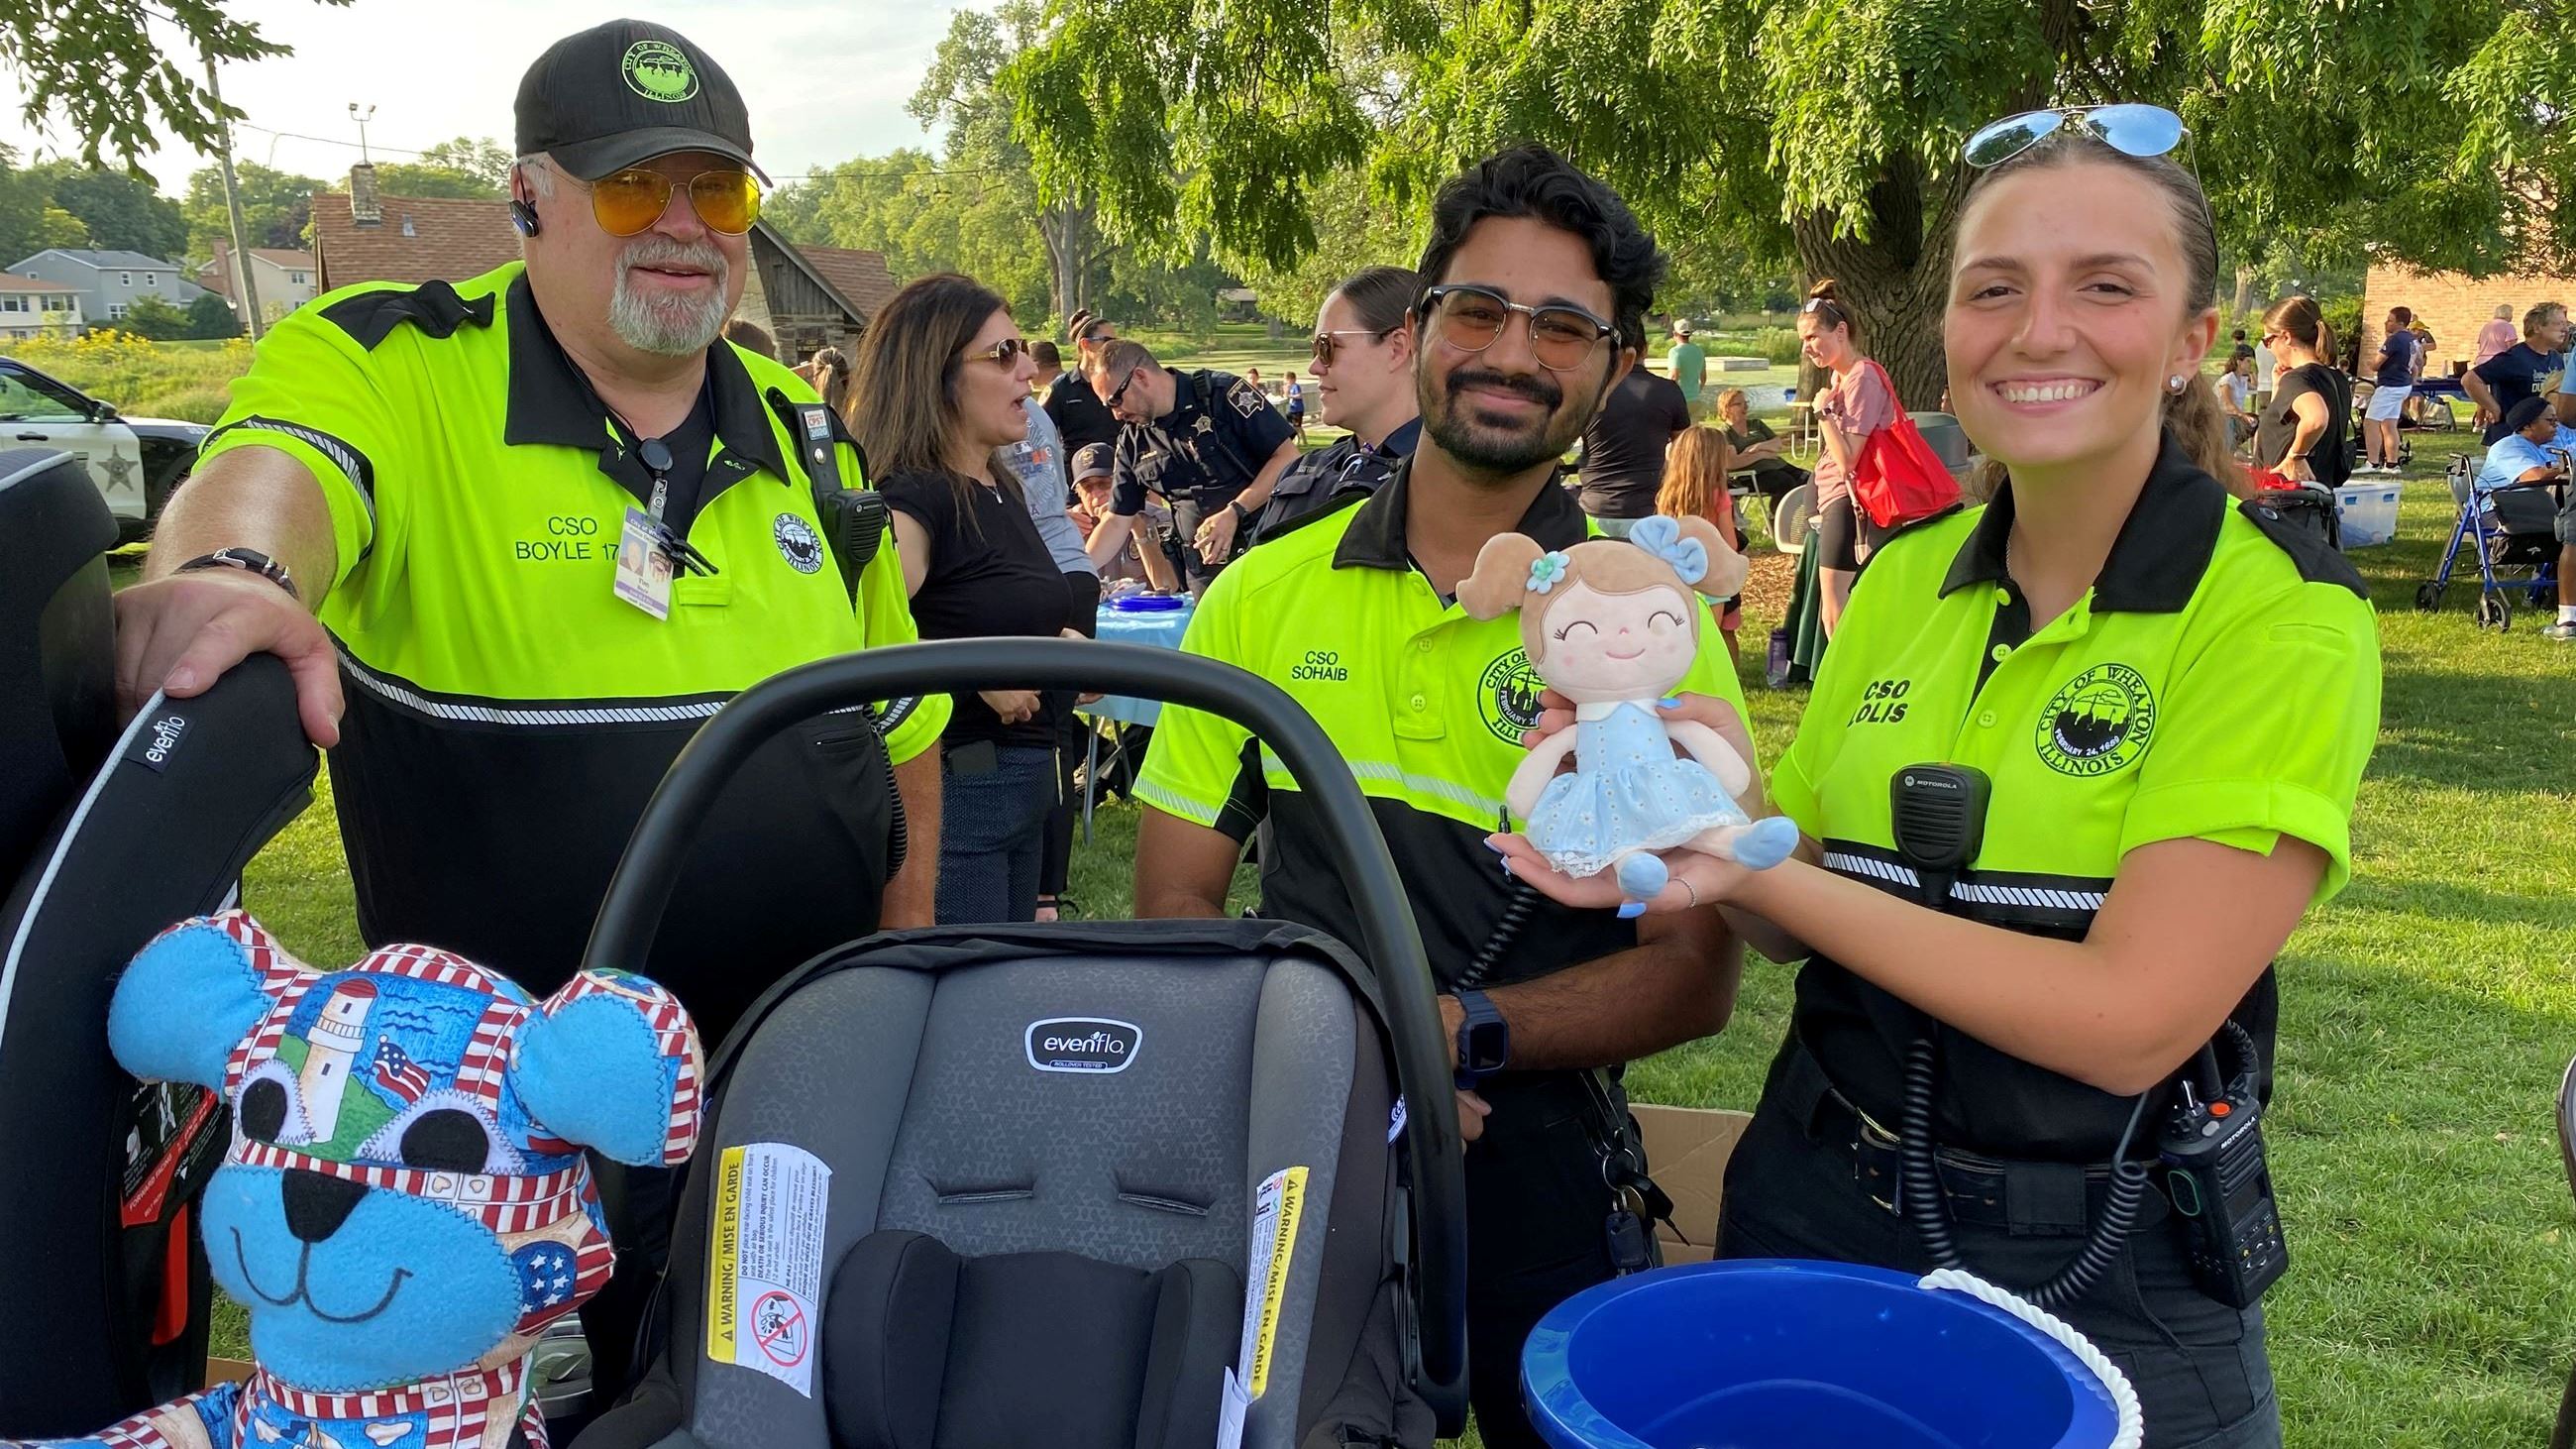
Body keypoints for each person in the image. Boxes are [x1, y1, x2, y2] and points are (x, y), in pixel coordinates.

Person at [1495, 102, 2380, 1448]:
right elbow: (1784, 915)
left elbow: (2130, 1015)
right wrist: (1669, 782)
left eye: (2106, 286)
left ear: (2195, 338)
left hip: (2112, 1248)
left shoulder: (2278, 617)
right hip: (1812, 1188)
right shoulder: (1904, 582)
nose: (2039, 330)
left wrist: (1754, 857)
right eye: (1995, 288)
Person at [110, 19, 950, 1393]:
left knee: (780, 1401)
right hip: (495, 1133)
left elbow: (905, 730)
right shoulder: (397, 361)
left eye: (718, 190)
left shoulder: (803, 427)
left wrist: (902, 972)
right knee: (525, 1419)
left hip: (789, 1086)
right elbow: (282, 470)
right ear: (527, 201)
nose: (683, 228)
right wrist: (238, 571)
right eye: (635, 188)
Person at [1131, 144, 1748, 1449]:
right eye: (1479, 310)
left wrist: (1452, 1032)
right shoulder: (1258, 596)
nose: (1513, 354)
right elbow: (1174, 903)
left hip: (1541, 1168)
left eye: (1563, 326)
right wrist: (1351, 1057)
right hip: (1294, 1148)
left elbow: (1695, 971)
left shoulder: (1657, 631)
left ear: (1612, 360)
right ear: (1420, 325)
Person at [854, 274, 1076, 925]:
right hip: (958, 797)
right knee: (970, 997)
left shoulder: (998, 483)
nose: (1029, 372)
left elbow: (984, 605)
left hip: (1023, 791)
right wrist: (974, 674)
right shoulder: (911, 499)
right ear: (936, 372)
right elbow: (855, 634)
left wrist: (1057, 647)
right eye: (1002, 355)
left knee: (1005, 994)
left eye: (1024, 351)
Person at [998, 365, 1105, 924]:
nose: (1020, 373)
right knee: (1040, 739)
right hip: (1051, 569)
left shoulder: (1025, 415)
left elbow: (1040, 499)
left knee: (1051, 736)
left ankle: (1044, 895)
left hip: (1055, 571)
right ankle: (1034, 892)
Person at [1083, 337, 1301, 591]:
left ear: (1140, 377)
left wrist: (1235, 511)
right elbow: (1117, 520)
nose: (1116, 414)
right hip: (1204, 573)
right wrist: (1078, 571)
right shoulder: (1133, 441)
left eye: (1115, 400)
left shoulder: (1222, 395)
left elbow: (1288, 457)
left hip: (1266, 555)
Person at [1248, 265, 1421, 543]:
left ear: (1397, 348)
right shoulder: (1304, 470)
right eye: (1314, 350)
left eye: (1327, 347)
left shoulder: (1453, 485)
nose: (1314, 366)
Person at [1800, 278, 1899, 633]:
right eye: (1803, 341)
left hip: (1849, 502)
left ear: (1840, 331)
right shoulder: (1842, 379)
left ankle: (1841, 686)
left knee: (1836, 612)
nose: (1807, 348)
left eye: (1813, 337)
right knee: (1833, 607)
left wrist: (1823, 412)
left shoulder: (1862, 378)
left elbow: (1848, 459)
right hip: (1834, 501)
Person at [1576, 340, 1692, 536]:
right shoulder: (1667, 391)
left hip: (1594, 505)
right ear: (1645, 349)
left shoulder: (1592, 390)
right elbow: (1686, 450)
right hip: (1647, 508)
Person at [1655, 423, 1745, 663]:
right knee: (1712, 639)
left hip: (1678, 576)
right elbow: (1730, 542)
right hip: (1712, 578)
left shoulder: (1668, 494)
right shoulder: (1718, 495)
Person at [2254, 295, 2350, 493]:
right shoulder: (2336, 379)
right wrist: (2277, 389)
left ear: (2286, 337)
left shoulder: (2298, 380)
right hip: (2317, 503)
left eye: (2268, 341)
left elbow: (2316, 418)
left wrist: (2295, 457)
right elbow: (2280, 430)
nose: (2269, 349)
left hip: (2285, 503)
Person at [1068, 441, 1178, 588]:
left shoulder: (1158, 519)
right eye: (1087, 487)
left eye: (1104, 483)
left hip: (1148, 608)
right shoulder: (1073, 526)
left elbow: (1168, 588)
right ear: (1079, 494)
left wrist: (1140, 530)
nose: (1096, 494)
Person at [2463, 299, 2569, 439]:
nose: (2565, 329)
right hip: (2509, 437)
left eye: (2565, 324)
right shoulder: (2514, 358)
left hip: (2540, 439)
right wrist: (2493, 408)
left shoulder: (2556, 358)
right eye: (2559, 323)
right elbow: (2470, 379)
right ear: (2537, 328)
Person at [1717, 385, 1808, 515]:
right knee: (1786, 482)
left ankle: (1801, 519)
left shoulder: (1756, 424)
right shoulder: (1726, 433)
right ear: (1727, 408)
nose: (1745, 407)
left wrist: (1757, 447)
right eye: (1739, 404)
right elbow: (1732, 462)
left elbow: (1777, 444)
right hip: (1752, 475)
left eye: (1746, 403)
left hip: (1778, 465)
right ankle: (1775, 520)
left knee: (1810, 480)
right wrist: (1761, 455)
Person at [1044, 307, 1124, 454]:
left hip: (1119, 470)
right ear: (1085, 344)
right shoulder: (1061, 389)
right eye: (1107, 340)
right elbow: (1041, 435)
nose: (1113, 347)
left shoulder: (1122, 384)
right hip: (1078, 473)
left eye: (1116, 341)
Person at [2361, 306, 2416, 475]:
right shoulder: (2411, 340)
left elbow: (2377, 363)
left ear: (2400, 323)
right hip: (2403, 385)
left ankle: (2373, 462)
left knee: (2370, 422)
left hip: (2390, 386)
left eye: (2390, 320)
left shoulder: (2394, 340)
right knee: (2389, 424)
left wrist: (2369, 364)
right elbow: (2416, 364)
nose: (2386, 322)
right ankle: (2392, 464)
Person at [2215, 352, 2257, 452]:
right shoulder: (2228, 380)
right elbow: (2227, 404)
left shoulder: (2242, 379)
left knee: (2258, 422)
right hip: (2225, 414)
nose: (2249, 364)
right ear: (2239, 362)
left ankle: (2244, 451)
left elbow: (2255, 386)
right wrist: (2244, 416)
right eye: (2247, 362)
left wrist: (2252, 373)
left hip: (2236, 414)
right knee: (2236, 422)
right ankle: (2230, 451)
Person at [1669, 318, 1708, 415]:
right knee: (1693, 430)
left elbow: (1674, 377)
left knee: (1680, 430)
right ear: (1690, 334)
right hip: (1695, 400)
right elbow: (1703, 378)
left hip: (1681, 400)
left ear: (1675, 333)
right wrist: (1696, 391)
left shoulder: (1675, 352)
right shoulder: (1699, 351)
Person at [2473, 302, 2519, 368]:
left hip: (2481, 362)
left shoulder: (2486, 326)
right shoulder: (2508, 326)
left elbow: (2481, 345)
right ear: (2508, 314)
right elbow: (2511, 348)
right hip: (2499, 362)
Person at [1284, 369, 1308, 436]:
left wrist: (1290, 396)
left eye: (1287, 379)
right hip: (1292, 409)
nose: (1287, 381)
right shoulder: (1290, 387)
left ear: (1292, 379)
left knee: (1297, 426)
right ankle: (1304, 440)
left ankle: (1298, 440)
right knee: (1295, 425)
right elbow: (1286, 395)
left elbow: (1299, 396)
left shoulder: (1296, 386)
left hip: (1298, 408)